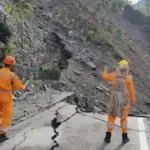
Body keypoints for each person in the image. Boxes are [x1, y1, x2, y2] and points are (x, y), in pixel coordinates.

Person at [102, 60, 135, 144]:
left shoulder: (113, 75)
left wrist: (105, 71)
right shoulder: (128, 78)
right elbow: (131, 91)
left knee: (111, 117)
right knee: (124, 118)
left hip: (114, 99)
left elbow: (105, 77)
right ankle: (125, 137)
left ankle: (108, 137)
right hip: (124, 100)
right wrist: (132, 100)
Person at [0, 56, 26, 142]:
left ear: (4, 63)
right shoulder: (12, 75)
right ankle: (2, 134)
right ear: (12, 65)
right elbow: (19, 86)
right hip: (6, 98)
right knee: (7, 114)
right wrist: (24, 86)